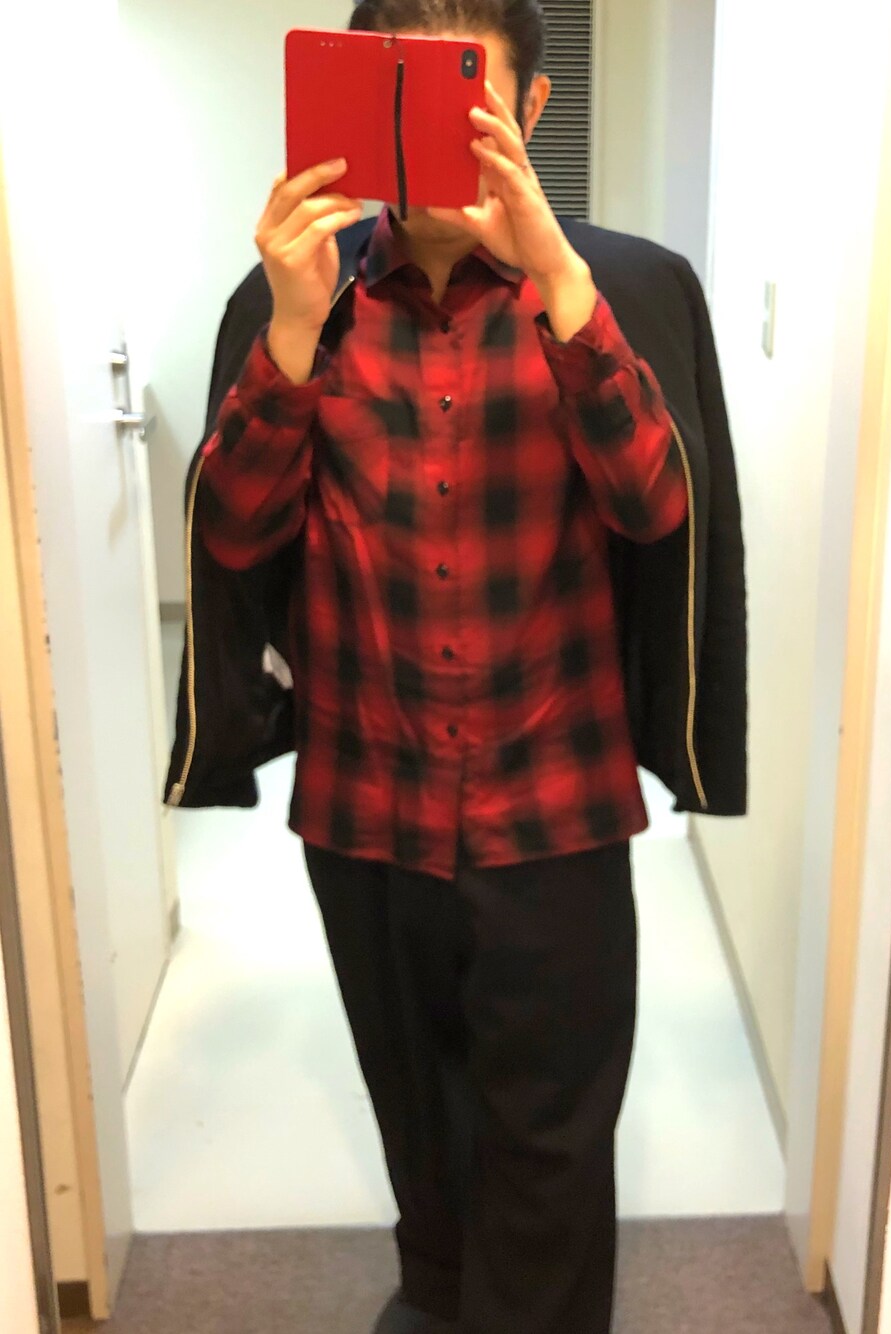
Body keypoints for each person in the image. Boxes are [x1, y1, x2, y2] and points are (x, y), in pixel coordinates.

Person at [168, 2, 747, 1331]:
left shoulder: (616, 291)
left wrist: (563, 292)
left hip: (556, 811)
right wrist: (292, 336)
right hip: (366, 813)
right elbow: (232, 535)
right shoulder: (288, 299)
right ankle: (437, 1294)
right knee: (417, 1122)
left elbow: (659, 507)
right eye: (403, 93)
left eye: (464, 95)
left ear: (531, 109)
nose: (432, 133)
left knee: (551, 1145)